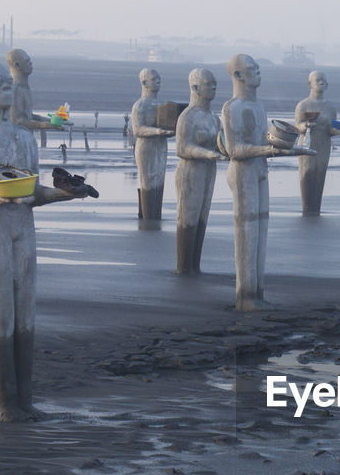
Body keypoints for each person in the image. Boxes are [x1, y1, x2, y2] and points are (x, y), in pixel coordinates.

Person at [0, 61, 91, 421]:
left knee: (25, 308)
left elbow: (30, 192)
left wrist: (65, 194)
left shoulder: (24, 137)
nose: (7, 86)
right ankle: (1, 401)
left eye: (8, 81)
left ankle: (24, 398)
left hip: (22, 225)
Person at [221, 54, 312, 310]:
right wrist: (270, 151)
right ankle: (246, 296)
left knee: (261, 231)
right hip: (242, 172)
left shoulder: (259, 107)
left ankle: (258, 292)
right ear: (238, 75)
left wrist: (281, 148)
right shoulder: (232, 107)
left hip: (259, 169)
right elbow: (235, 150)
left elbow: (263, 141)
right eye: (252, 69)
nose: (258, 72)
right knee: (247, 233)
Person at [174, 68, 222, 274]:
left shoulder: (214, 118)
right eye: (208, 83)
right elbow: (182, 148)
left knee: (203, 216)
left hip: (209, 170)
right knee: (188, 216)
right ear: (195, 87)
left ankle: (195, 264)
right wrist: (207, 153)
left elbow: (221, 143)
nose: (213, 87)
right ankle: (184, 265)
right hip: (190, 172)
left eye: (215, 84)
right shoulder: (188, 117)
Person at [293, 70, 340, 214]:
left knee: (320, 175)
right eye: (318, 80)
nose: (321, 82)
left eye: (323, 80)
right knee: (307, 175)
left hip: (323, 145)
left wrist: (338, 131)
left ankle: (316, 209)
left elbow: (331, 128)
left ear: (327, 85)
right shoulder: (303, 105)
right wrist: (306, 126)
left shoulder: (330, 107)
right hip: (306, 144)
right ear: (309, 84)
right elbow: (297, 126)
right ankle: (306, 209)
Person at [132, 67, 173, 220]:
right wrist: (157, 132)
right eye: (154, 79)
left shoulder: (163, 105)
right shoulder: (140, 105)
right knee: (148, 181)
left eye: (159, 79)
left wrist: (170, 131)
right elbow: (138, 130)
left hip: (160, 147)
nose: (158, 81)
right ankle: (148, 215)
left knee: (159, 181)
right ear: (144, 82)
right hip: (146, 148)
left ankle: (155, 215)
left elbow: (168, 126)